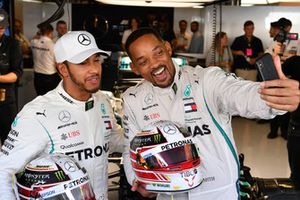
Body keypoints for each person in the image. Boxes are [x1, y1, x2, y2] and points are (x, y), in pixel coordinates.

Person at [121, 27, 300, 200]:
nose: (154, 64)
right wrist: (138, 180)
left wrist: (274, 98)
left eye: (158, 53)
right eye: (143, 61)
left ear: (168, 48)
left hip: (220, 192)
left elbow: (240, 94)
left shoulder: (207, 80)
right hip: (170, 195)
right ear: (135, 68)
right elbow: (130, 150)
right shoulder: (132, 99)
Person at [0, 31, 123, 200]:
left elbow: (114, 139)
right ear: (63, 69)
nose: (94, 69)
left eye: (96, 60)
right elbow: (4, 171)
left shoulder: (102, 101)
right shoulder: (37, 113)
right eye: (83, 63)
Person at [0, 9, 23, 145]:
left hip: (5, 101)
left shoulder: (13, 44)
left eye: (2, 27)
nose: (0, 30)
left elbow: (16, 74)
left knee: (8, 142)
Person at [281, 55, 300, 189]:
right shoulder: (295, 62)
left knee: (297, 177)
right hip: (297, 128)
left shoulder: (295, 61)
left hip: (297, 130)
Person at [31, 23, 60, 95]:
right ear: (51, 32)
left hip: (37, 77)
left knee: (40, 98)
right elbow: (57, 63)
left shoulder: (33, 42)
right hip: (50, 77)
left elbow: (35, 37)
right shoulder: (53, 45)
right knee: (51, 99)